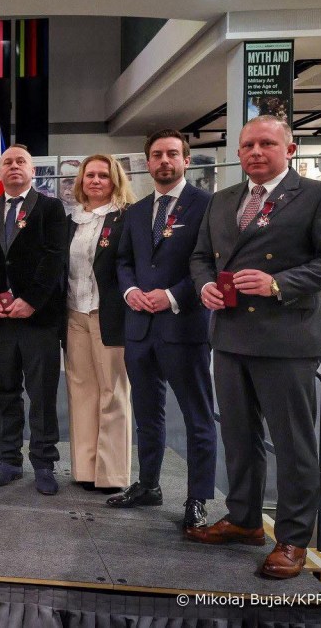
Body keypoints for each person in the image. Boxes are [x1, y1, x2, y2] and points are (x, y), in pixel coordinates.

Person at [189, 115, 321, 579]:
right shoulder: (222, 201)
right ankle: (243, 521)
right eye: (247, 146)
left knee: (293, 443)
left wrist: (279, 283)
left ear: (290, 149)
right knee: (238, 438)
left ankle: (293, 539)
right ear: (238, 154)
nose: (255, 152)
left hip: (287, 338)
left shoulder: (319, 196)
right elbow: (201, 257)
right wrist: (204, 288)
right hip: (231, 334)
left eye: (266, 144)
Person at [109, 129, 215, 534]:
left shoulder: (207, 206)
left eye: (172, 154)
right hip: (139, 329)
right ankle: (149, 485)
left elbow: (210, 265)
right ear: (147, 162)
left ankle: (197, 499)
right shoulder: (136, 212)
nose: (164, 161)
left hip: (183, 327)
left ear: (186, 160)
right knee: (147, 416)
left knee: (197, 417)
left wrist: (171, 296)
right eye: (156, 155)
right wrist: (132, 290)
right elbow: (123, 261)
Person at [0, 144, 67, 495]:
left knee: (41, 393)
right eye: (7, 162)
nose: (13, 166)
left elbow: (55, 258)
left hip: (38, 320)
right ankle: (8, 459)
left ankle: (43, 462)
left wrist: (32, 301)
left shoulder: (52, 209)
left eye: (20, 161)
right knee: (4, 391)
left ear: (32, 170)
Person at [64, 155, 135, 494]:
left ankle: (112, 474)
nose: (95, 181)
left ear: (114, 180)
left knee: (113, 393)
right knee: (82, 391)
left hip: (109, 315)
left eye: (103, 176)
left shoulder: (126, 219)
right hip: (75, 313)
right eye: (89, 175)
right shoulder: (72, 221)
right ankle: (85, 469)